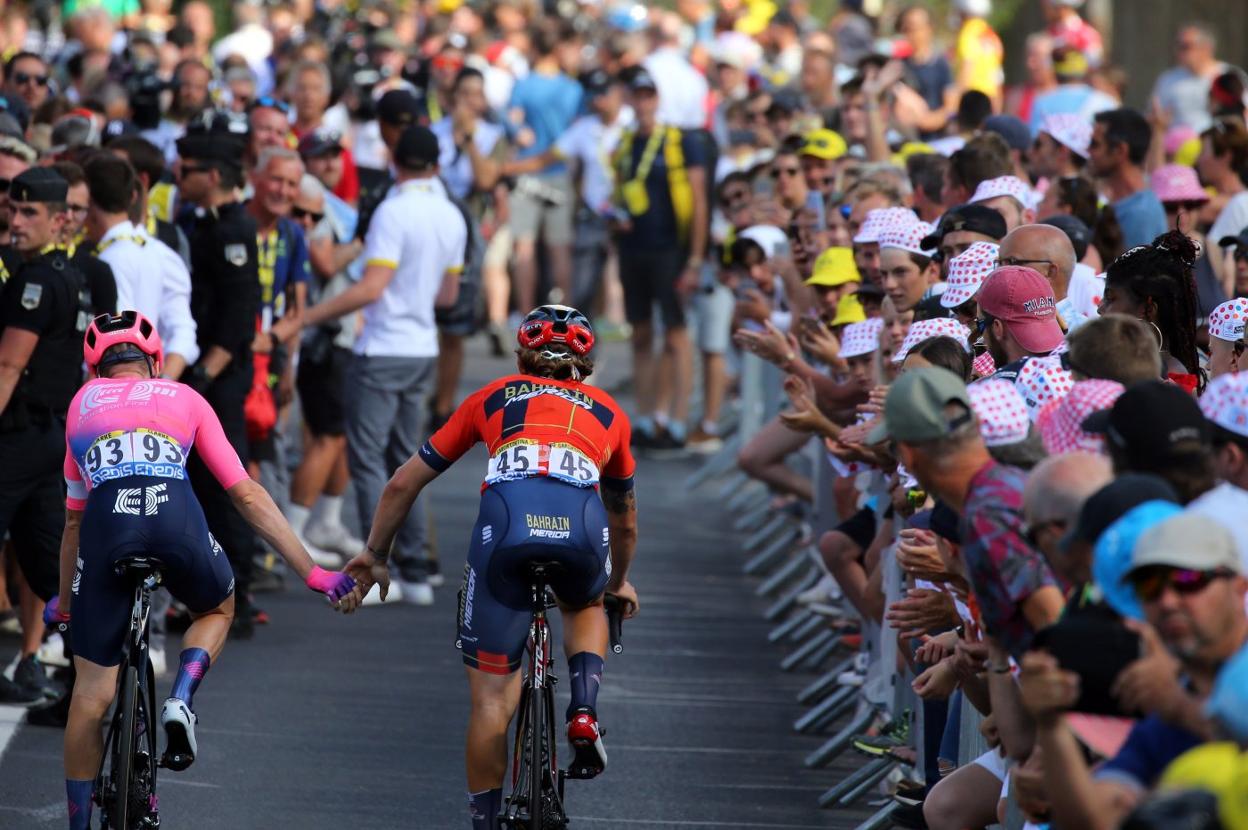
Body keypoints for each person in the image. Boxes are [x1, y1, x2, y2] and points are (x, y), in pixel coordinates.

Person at [56, 311, 358, 830]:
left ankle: (79, 823)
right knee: (217, 609)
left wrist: (65, 605)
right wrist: (314, 574)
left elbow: (72, 523)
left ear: (94, 368)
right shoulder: (185, 396)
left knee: (90, 695)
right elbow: (246, 494)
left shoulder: (82, 404)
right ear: (155, 361)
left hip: (108, 527)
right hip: (176, 520)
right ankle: (181, 697)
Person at [342, 305, 639, 830]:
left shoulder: (493, 396)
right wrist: (617, 584)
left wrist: (376, 554)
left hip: (506, 532)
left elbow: (403, 482)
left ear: (522, 358)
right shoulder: (610, 412)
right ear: (586, 363)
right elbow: (626, 521)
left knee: (491, 703)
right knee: (586, 602)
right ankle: (584, 709)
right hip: (581, 532)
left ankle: (484, 822)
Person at [302, 124, 467, 606]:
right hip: (422, 348)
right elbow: (448, 296)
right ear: (436, 165)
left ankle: (378, 569)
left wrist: (306, 317)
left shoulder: (393, 211)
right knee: (410, 461)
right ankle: (415, 573)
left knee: (369, 459)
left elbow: (371, 288)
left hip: (382, 348)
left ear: (394, 162)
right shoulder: (451, 215)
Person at [1019, 512, 1247, 830]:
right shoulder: (1162, 720)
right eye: (1150, 586)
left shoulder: (1172, 703)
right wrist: (1051, 725)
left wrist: (1180, 708)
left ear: (1239, 587)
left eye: (1188, 579)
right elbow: (1094, 820)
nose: (1167, 601)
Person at [0, 169, 99, 704]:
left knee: (48, 562)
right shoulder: (72, 275)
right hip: (52, 439)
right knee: (48, 565)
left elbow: (8, 365)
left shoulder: (35, 281)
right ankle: (93, 676)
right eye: (12, 209)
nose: (16, 221)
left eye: (29, 212)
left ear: (60, 220)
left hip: (20, 437)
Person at [175, 111, 263, 638]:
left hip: (219, 378)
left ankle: (241, 594)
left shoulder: (233, 229)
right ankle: (211, 589)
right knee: (203, 486)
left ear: (211, 175)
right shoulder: (203, 222)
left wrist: (203, 377)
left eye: (187, 169)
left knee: (227, 481)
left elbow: (237, 315)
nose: (178, 177)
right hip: (205, 373)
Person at [612, 68, 708, 451]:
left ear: (658, 98)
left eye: (648, 95)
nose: (642, 103)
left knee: (675, 334)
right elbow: (618, 191)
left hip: (670, 249)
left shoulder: (679, 141)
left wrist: (695, 258)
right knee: (640, 333)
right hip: (633, 248)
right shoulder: (625, 142)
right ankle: (646, 416)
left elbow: (698, 200)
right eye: (637, 96)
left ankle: (678, 420)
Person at [83, 153, 198, 381]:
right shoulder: (161, 253)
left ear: (90, 204)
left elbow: (115, 339)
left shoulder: (109, 260)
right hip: (145, 385)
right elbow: (183, 333)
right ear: (133, 195)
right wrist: (160, 387)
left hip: (114, 389)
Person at [507, 20, 584, 312]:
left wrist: (518, 133)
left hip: (526, 174)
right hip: (560, 174)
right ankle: (568, 319)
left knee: (524, 248)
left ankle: (527, 316)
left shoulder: (523, 84)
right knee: (560, 249)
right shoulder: (572, 88)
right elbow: (578, 131)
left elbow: (513, 123)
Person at [1089, 109, 1168, 251]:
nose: (1088, 150)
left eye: (1095, 144)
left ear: (1120, 150)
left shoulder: (1141, 214)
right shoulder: (1129, 204)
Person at [1150, 24, 1225, 132]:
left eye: (1186, 46)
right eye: (1178, 46)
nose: (1180, 51)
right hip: (1176, 142)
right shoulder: (1167, 79)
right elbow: (1156, 116)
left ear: (1206, 48)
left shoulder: (1229, 77)